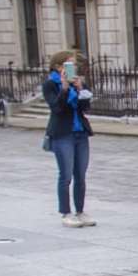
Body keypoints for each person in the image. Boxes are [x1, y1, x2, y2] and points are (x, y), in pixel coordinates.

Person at [42, 50, 94, 228]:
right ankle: (66, 212)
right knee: (65, 175)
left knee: (81, 174)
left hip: (80, 133)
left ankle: (80, 211)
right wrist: (64, 88)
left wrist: (81, 89)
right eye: (68, 65)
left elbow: (86, 107)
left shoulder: (77, 83)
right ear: (58, 67)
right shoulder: (50, 84)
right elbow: (57, 108)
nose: (72, 69)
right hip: (63, 134)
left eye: (73, 65)